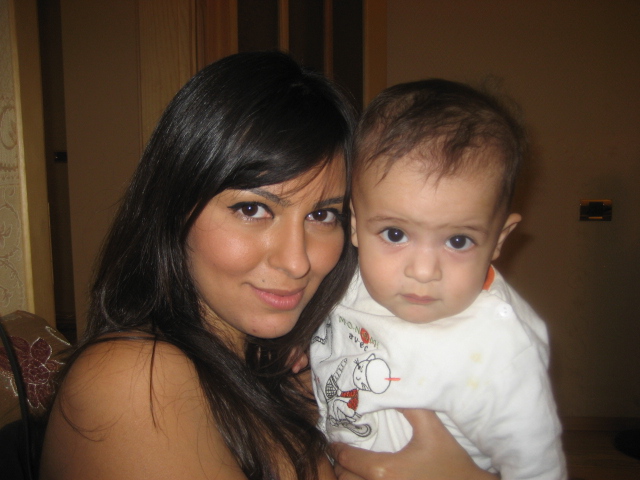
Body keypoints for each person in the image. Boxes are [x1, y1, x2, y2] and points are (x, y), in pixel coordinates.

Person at [37, 52, 496, 480]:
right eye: (252, 209)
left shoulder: (287, 370)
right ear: (174, 206)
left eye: (323, 215)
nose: (296, 262)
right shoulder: (135, 381)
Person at [311, 79, 567, 479]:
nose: (423, 271)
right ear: (357, 225)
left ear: (499, 239)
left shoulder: (501, 352)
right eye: (395, 234)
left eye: (458, 241)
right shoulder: (350, 278)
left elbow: (537, 468)